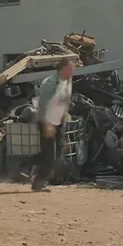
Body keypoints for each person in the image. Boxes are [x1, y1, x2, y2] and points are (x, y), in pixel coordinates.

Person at [29, 59, 75, 192]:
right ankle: (39, 181)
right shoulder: (50, 83)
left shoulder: (67, 81)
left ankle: (30, 164)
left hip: (58, 121)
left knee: (58, 151)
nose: (72, 72)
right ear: (62, 69)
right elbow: (44, 103)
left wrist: (65, 113)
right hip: (47, 121)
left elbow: (65, 99)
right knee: (50, 154)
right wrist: (47, 124)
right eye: (70, 69)